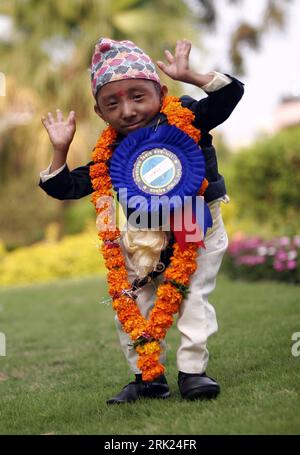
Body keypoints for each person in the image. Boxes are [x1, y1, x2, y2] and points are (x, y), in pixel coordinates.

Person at [39, 38, 244, 404]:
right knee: (132, 302)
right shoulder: (110, 151)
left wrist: (193, 76)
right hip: (142, 237)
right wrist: (59, 150)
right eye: (112, 103)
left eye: (138, 96)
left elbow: (230, 96)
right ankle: (147, 377)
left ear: (161, 91)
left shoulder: (187, 115)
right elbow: (67, 187)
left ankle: (193, 373)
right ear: (100, 113)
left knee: (193, 297)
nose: (128, 110)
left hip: (197, 223)